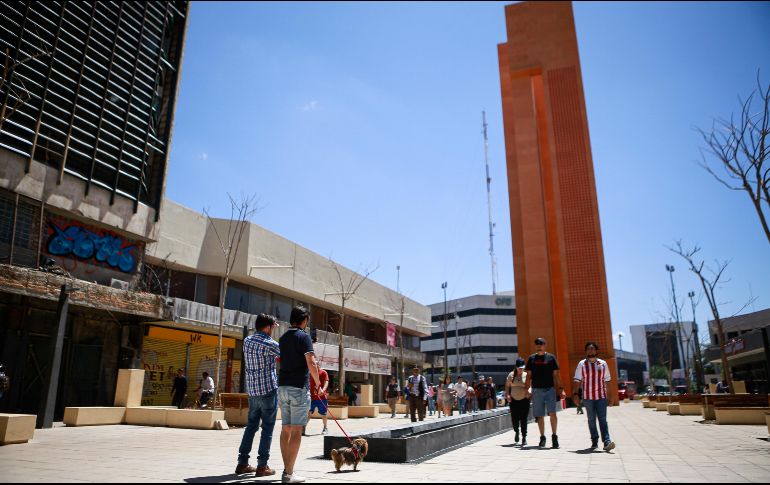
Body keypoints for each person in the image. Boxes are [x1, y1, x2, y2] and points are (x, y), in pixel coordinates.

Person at [278, 306, 324, 483]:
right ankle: (289, 473)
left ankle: (287, 470)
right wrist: (318, 383)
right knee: (297, 429)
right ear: (304, 320)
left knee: (286, 429)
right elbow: (311, 362)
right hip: (298, 387)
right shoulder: (304, 337)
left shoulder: (282, 337)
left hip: (282, 387)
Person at [236, 313, 281, 477]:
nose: (274, 330)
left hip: (253, 390)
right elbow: (285, 356)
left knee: (251, 427)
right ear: (268, 327)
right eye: (273, 327)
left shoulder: (247, 341)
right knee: (267, 428)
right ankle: (262, 466)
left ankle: (242, 463)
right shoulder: (271, 344)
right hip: (268, 390)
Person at [573, 341, 616, 452]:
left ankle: (606, 441)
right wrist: (575, 395)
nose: (590, 350)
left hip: (601, 397)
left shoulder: (603, 364)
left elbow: (608, 381)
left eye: (592, 349)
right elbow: (577, 380)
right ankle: (594, 441)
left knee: (602, 419)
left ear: (596, 351)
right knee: (591, 420)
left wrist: (611, 397)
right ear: (586, 351)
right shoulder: (581, 364)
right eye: (588, 349)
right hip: (588, 398)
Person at [524, 337, 566, 449]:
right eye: (537, 343)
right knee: (540, 415)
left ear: (545, 345)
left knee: (553, 413)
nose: (539, 345)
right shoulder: (531, 358)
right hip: (537, 390)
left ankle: (554, 437)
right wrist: (526, 390)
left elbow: (556, 375)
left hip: (550, 390)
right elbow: (528, 376)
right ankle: (542, 437)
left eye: (541, 343)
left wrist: (561, 389)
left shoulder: (551, 358)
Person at [505, 357, 530, 446]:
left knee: (524, 419)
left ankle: (524, 437)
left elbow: (530, 386)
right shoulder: (511, 375)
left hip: (524, 400)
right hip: (513, 400)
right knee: (514, 419)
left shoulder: (526, 375)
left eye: (522, 368)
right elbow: (507, 386)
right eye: (519, 367)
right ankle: (516, 431)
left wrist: (529, 392)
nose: (520, 369)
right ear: (516, 367)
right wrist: (507, 394)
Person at [306, 367, 329, 436]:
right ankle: (303, 428)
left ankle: (325, 428)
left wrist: (323, 390)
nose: (314, 365)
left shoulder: (323, 372)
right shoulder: (309, 373)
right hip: (311, 397)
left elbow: (326, 382)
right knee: (308, 413)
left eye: (316, 364)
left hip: (322, 397)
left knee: (323, 414)